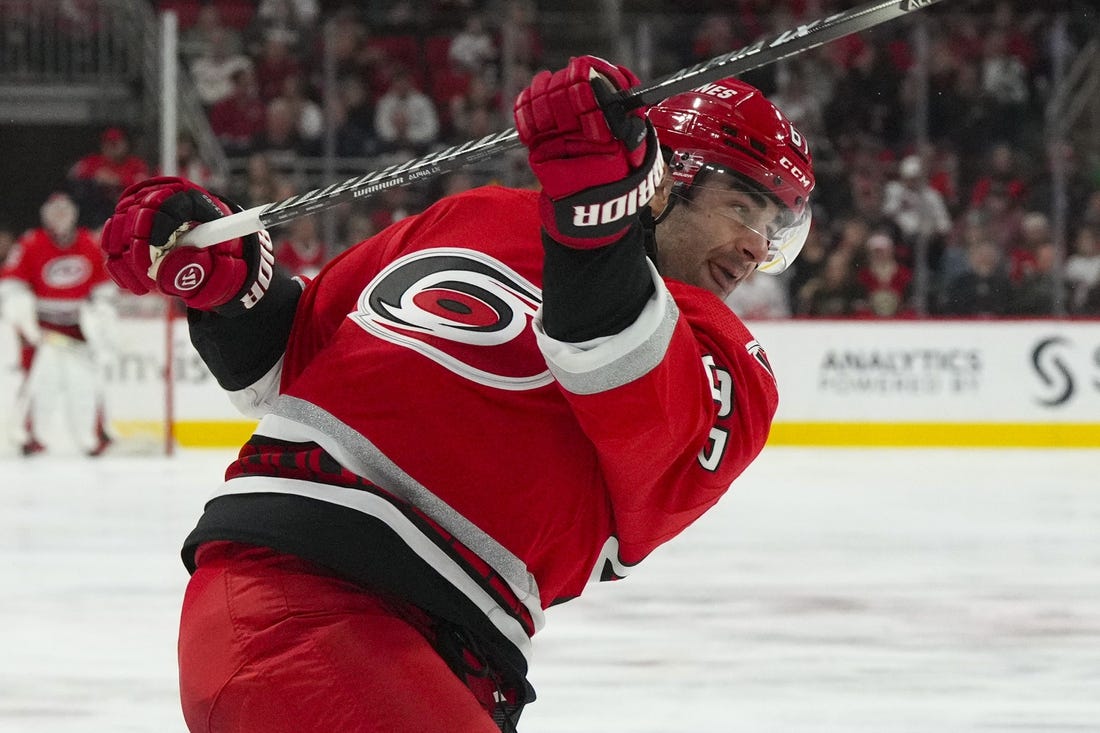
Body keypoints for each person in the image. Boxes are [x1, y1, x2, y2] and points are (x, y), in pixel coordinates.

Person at [97, 57, 815, 732]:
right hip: (301, 596)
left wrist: (593, 215)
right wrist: (232, 288)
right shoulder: (475, 216)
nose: (758, 246)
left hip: (427, 648)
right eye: (744, 204)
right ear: (668, 178)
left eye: (778, 228)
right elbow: (300, 362)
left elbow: (622, 380)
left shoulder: (728, 357)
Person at [0, 193, 115, 456]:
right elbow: (11, 283)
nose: (61, 218)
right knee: (34, 380)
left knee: (88, 380)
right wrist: (21, 313)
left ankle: (98, 433)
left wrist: (100, 312)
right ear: (46, 217)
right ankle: (30, 435)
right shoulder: (30, 244)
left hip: (77, 324)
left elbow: (103, 287)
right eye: (55, 213)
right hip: (41, 325)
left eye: (65, 212)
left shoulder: (89, 243)